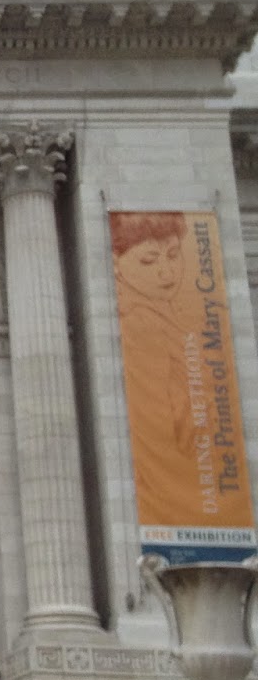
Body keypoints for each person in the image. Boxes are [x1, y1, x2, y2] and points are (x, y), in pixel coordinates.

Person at [110, 212, 200, 527]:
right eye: (148, 261)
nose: (166, 273)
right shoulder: (142, 323)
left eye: (174, 255)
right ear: (116, 263)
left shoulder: (168, 316)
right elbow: (156, 431)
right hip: (181, 485)